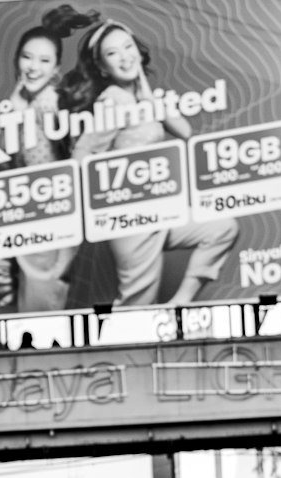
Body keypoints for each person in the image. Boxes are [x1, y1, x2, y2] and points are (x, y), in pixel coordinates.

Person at [64, 18, 239, 305]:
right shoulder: (113, 101)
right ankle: (109, 350)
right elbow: (81, 158)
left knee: (223, 228)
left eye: (128, 46)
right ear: (101, 67)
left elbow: (185, 132)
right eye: (112, 53)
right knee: (137, 303)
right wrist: (113, 189)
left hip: (163, 210)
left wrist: (146, 94)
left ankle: (178, 304)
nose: (124, 56)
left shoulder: (142, 99)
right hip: (133, 219)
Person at [0, 5, 95, 311]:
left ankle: (41, 328)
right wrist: (12, 111)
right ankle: (18, 293)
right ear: (17, 60)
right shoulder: (19, 103)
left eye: (44, 61)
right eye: (27, 57)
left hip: (54, 209)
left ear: (56, 68)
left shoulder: (53, 102)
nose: (33, 67)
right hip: (18, 212)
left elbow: (78, 151)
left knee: (41, 299)